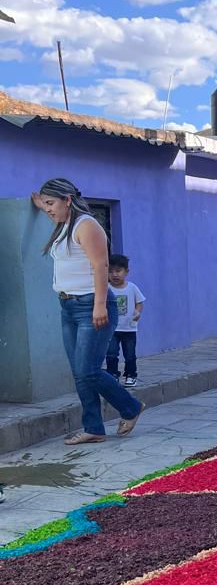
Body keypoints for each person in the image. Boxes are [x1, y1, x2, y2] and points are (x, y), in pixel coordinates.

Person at [33, 177, 144, 445]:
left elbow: (100, 266)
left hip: (91, 305)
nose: (48, 209)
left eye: (51, 203)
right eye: (45, 204)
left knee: (88, 371)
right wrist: (40, 202)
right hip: (68, 306)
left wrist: (99, 305)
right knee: (80, 373)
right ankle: (93, 428)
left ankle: (130, 407)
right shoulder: (64, 225)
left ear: (67, 200)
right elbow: (47, 206)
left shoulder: (86, 225)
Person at [105, 254, 145, 387]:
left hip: (129, 328)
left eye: (118, 271)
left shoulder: (132, 288)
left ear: (126, 271)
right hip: (111, 329)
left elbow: (140, 302)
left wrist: (137, 312)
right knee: (111, 353)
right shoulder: (106, 289)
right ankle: (112, 374)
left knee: (130, 354)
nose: (114, 275)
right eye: (110, 271)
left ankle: (131, 375)